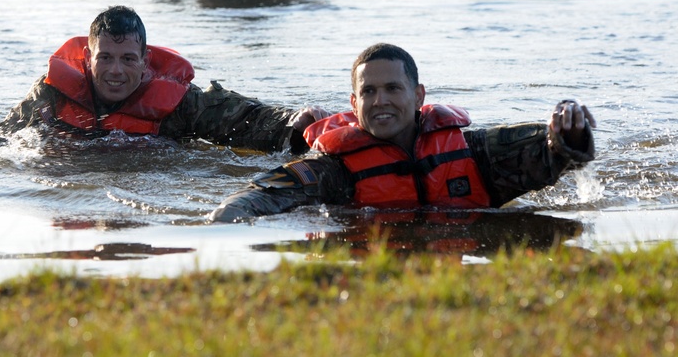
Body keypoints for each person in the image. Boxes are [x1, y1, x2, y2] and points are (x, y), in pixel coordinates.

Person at [210, 43, 597, 222]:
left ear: (418, 96)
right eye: (369, 92)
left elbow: (553, 151)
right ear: (354, 102)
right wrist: (225, 221)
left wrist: (570, 129)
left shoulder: (473, 150)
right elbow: (259, 194)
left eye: (393, 89)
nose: (380, 101)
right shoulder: (333, 170)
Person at [0, 6, 326, 153]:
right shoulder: (51, 94)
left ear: (145, 63)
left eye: (128, 59)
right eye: (105, 58)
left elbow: (244, 119)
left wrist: (294, 123)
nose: (115, 71)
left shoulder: (179, 102)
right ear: (87, 58)